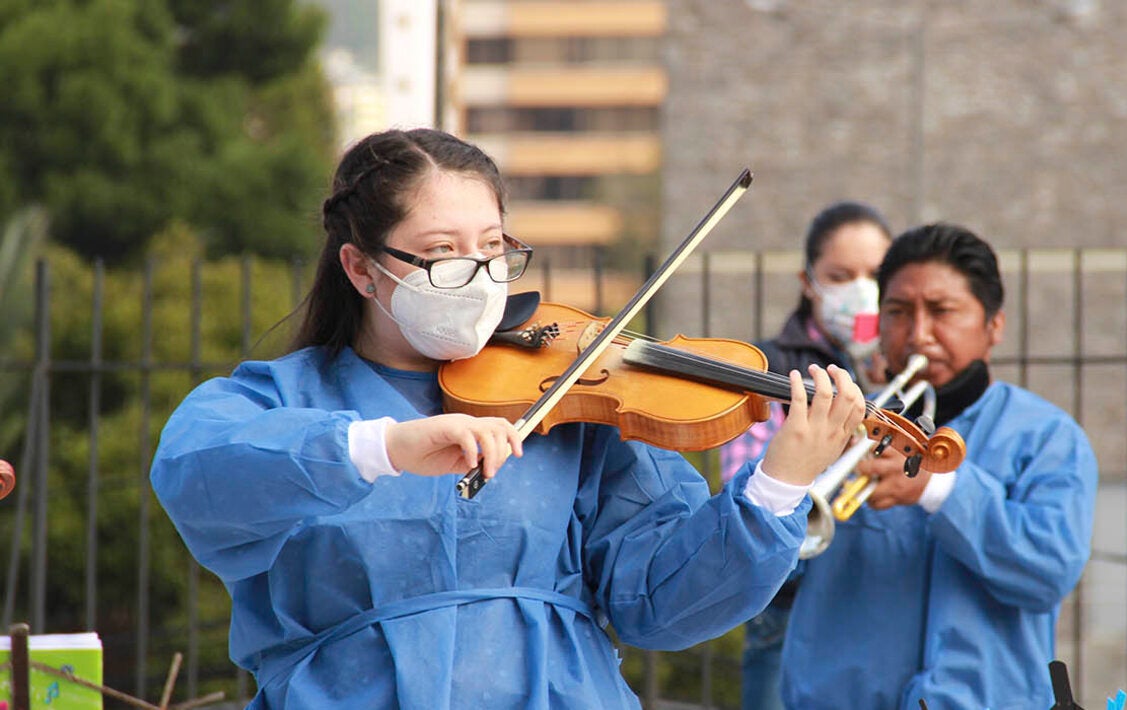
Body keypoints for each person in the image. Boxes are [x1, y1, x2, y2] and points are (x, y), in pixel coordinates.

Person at [149, 128, 867, 709]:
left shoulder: (572, 414)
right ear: (362, 269)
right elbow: (199, 476)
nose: (480, 273)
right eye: (442, 253)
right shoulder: (278, 399)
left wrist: (776, 487)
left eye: (493, 248)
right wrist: (381, 448)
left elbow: (661, 606)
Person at [777, 223, 1098, 710]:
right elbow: (765, 574)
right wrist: (795, 473)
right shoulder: (841, 429)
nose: (919, 334)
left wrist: (939, 490)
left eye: (942, 311)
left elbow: (1050, 570)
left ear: (994, 326)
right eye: (899, 313)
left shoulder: (1047, 437)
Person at [717, 201, 893, 710]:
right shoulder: (772, 370)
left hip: (885, 609)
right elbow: (748, 502)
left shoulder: (908, 368)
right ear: (808, 281)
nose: (861, 290)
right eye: (841, 276)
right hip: (791, 617)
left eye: (876, 275)